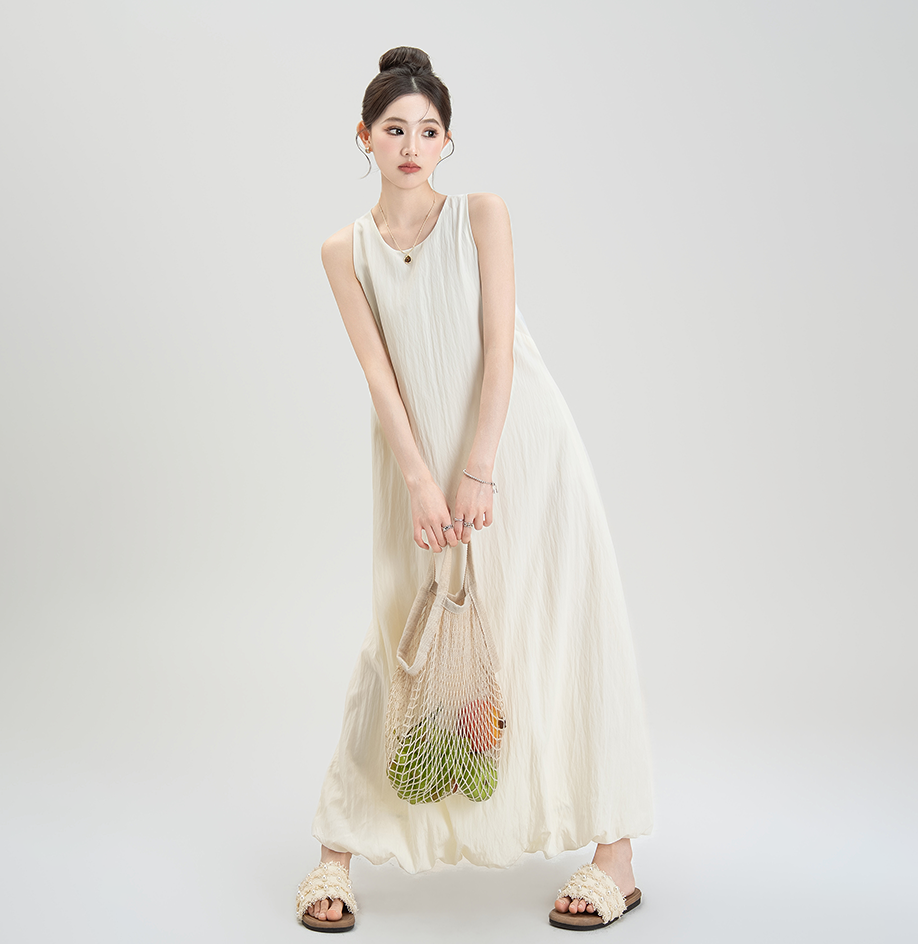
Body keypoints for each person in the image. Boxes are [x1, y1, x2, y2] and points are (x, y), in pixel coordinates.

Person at [295, 46, 654, 933]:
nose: (410, 146)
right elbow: (380, 378)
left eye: (428, 131)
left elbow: (500, 347)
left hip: (521, 453)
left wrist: (479, 466)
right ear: (364, 137)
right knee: (401, 642)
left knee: (555, 629)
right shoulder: (345, 251)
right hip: (417, 470)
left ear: (447, 141)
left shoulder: (481, 215)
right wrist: (423, 481)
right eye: (394, 130)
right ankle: (337, 847)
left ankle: (615, 856)